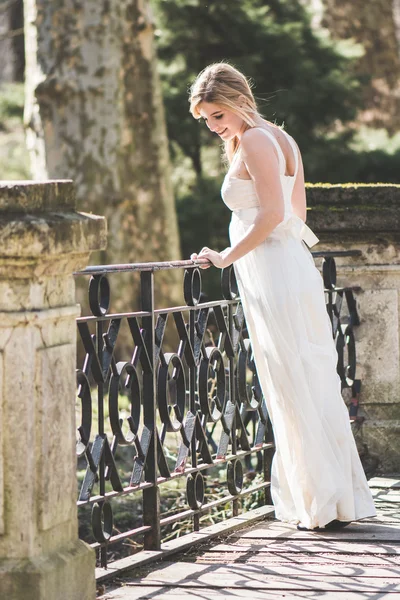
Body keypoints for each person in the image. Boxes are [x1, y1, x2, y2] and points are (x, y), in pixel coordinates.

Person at [189, 62, 376, 531]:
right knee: (306, 378)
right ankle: (331, 498)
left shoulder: (254, 140)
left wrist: (228, 256)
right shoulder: (281, 138)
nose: (213, 127)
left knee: (292, 380)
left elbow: (272, 214)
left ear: (236, 100)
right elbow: (297, 214)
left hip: (274, 271)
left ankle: (320, 501)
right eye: (206, 120)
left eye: (216, 115)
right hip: (287, 267)